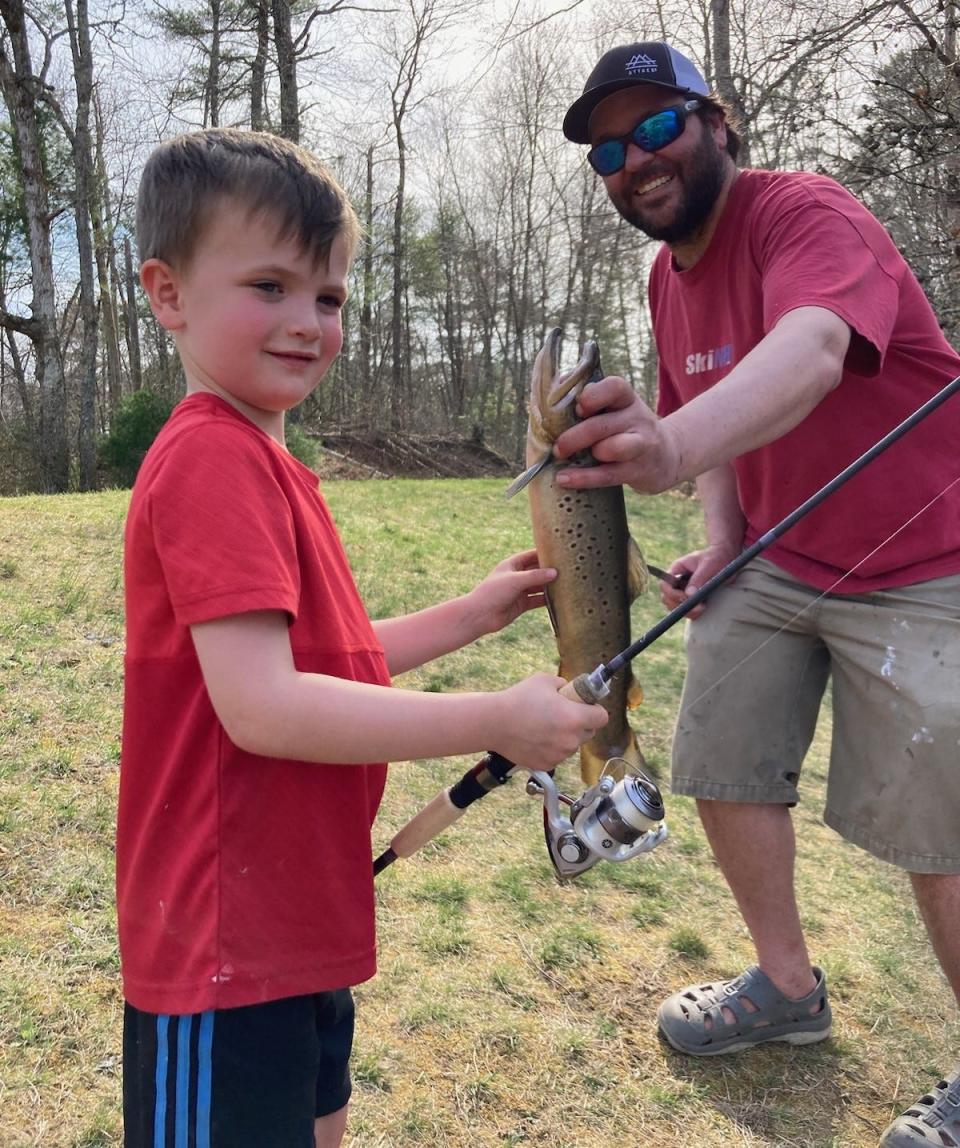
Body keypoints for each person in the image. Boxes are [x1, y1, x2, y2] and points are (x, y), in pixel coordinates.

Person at [118, 127, 608, 1148]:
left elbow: (319, 663)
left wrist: (467, 616)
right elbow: (261, 706)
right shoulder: (209, 458)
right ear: (168, 294)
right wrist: (492, 719)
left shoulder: (267, 460)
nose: (307, 321)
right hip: (221, 947)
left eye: (329, 297)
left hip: (295, 918)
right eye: (269, 286)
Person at [557, 41, 960, 1148]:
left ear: (717, 122)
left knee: (942, 822)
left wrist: (666, 441)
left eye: (656, 128)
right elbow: (722, 411)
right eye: (607, 148)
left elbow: (815, 348)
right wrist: (722, 539)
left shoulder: (807, 215)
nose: (634, 159)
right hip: (782, 553)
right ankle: (786, 988)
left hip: (928, 556)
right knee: (720, 746)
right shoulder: (663, 275)